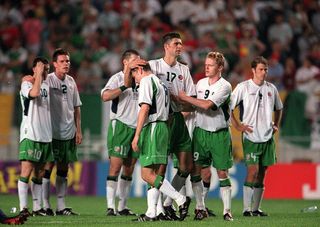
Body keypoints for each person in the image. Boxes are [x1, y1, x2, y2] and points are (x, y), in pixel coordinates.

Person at [131, 63, 191, 222]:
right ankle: (152, 213)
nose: (135, 81)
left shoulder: (146, 81)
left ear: (141, 70)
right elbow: (169, 111)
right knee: (156, 172)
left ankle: (180, 199)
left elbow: (145, 108)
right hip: (163, 127)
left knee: (146, 174)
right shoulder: (161, 84)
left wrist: (137, 135)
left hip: (153, 128)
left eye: (135, 75)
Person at [178, 51, 234, 221]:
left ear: (220, 68)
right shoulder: (201, 83)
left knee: (222, 172)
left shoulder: (225, 86)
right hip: (200, 133)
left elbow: (207, 104)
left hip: (219, 135)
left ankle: (227, 211)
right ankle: (200, 208)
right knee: (197, 171)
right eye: (205, 65)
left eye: (210, 65)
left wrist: (185, 97)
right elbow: (193, 107)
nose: (206, 68)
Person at [149, 32, 195, 219]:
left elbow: (191, 102)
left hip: (178, 120)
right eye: (176, 43)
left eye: (181, 43)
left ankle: (168, 203)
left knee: (186, 166)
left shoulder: (184, 70)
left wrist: (178, 100)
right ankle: (157, 210)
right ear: (166, 46)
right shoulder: (153, 66)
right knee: (160, 167)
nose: (179, 46)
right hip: (161, 120)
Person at [230, 56, 283, 217]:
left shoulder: (271, 89)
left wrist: (276, 124)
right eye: (261, 69)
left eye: (266, 69)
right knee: (253, 170)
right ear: (253, 70)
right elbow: (229, 108)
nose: (264, 72)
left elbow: (279, 108)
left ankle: (256, 209)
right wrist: (238, 125)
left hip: (267, 137)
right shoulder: (243, 87)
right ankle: (246, 209)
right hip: (251, 136)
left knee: (262, 173)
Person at [101, 49, 146, 216]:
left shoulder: (142, 79)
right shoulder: (117, 78)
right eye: (134, 60)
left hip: (136, 129)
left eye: (139, 60)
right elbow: (105, 96)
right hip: (120, 126)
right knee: (115, 167)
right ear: (125, 62)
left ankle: (122, 206)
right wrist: (122, 87)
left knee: (129, 169)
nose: (138, 63)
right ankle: (110, 207)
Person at [41, 48, 82, 216]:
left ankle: (61, 206)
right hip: (51, 132)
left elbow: (77, 107)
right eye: (63, 61)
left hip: (68, 132)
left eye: (68, 61)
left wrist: (78, 130)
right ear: (54, 64)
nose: (66, 64)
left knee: (64, 168)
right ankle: (44, 205)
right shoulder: (48, 81)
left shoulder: (71, 81)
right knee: (48, 166)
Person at [17, 57, 52, 217]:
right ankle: (23, 207)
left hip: (45, 135)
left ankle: (37, 208)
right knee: (27, 170)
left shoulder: (47, 84)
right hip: (30, 133)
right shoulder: (27, 83)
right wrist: (37, 75)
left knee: (39, 174)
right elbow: (34, 93)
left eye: (46, 69)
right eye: (42, 69)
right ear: (34, 69)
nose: (46, 72)